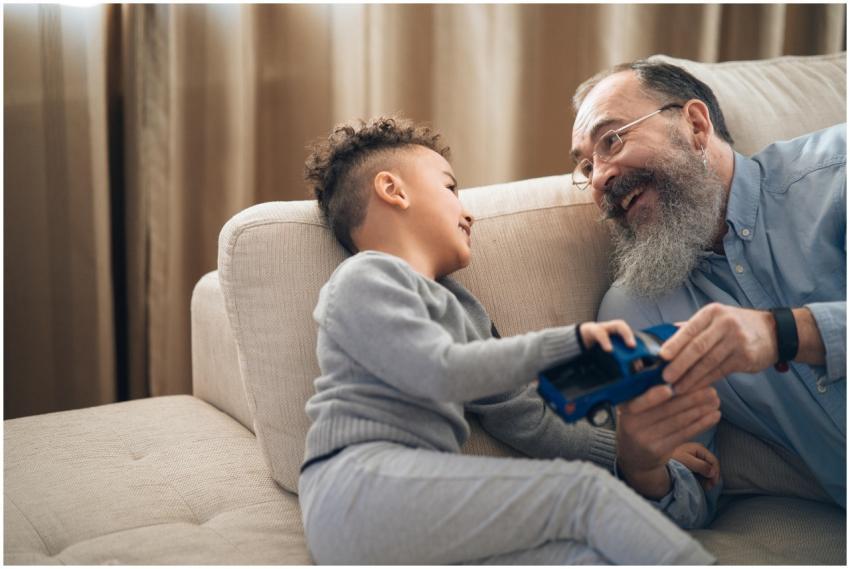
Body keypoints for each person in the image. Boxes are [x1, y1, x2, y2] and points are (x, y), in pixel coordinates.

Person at [298, 116, 718, 564]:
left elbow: (528, 417)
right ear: (393, 190)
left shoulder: (460, 309)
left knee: (580, 554)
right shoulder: (366, 277)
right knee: (582, 494)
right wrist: (571, 342)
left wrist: (631, 454)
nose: (468, 211)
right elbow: (440, 372)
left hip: (418, 502)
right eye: (450, 188)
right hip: (358, 488)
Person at [569, 59, 846, 513]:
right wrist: (642, 469)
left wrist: (785, 333)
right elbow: (691, 493)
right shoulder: (639, 310)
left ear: (695, 125)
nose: (599, 178)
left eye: (612, 140)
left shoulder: (837, 173)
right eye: (585, 167)